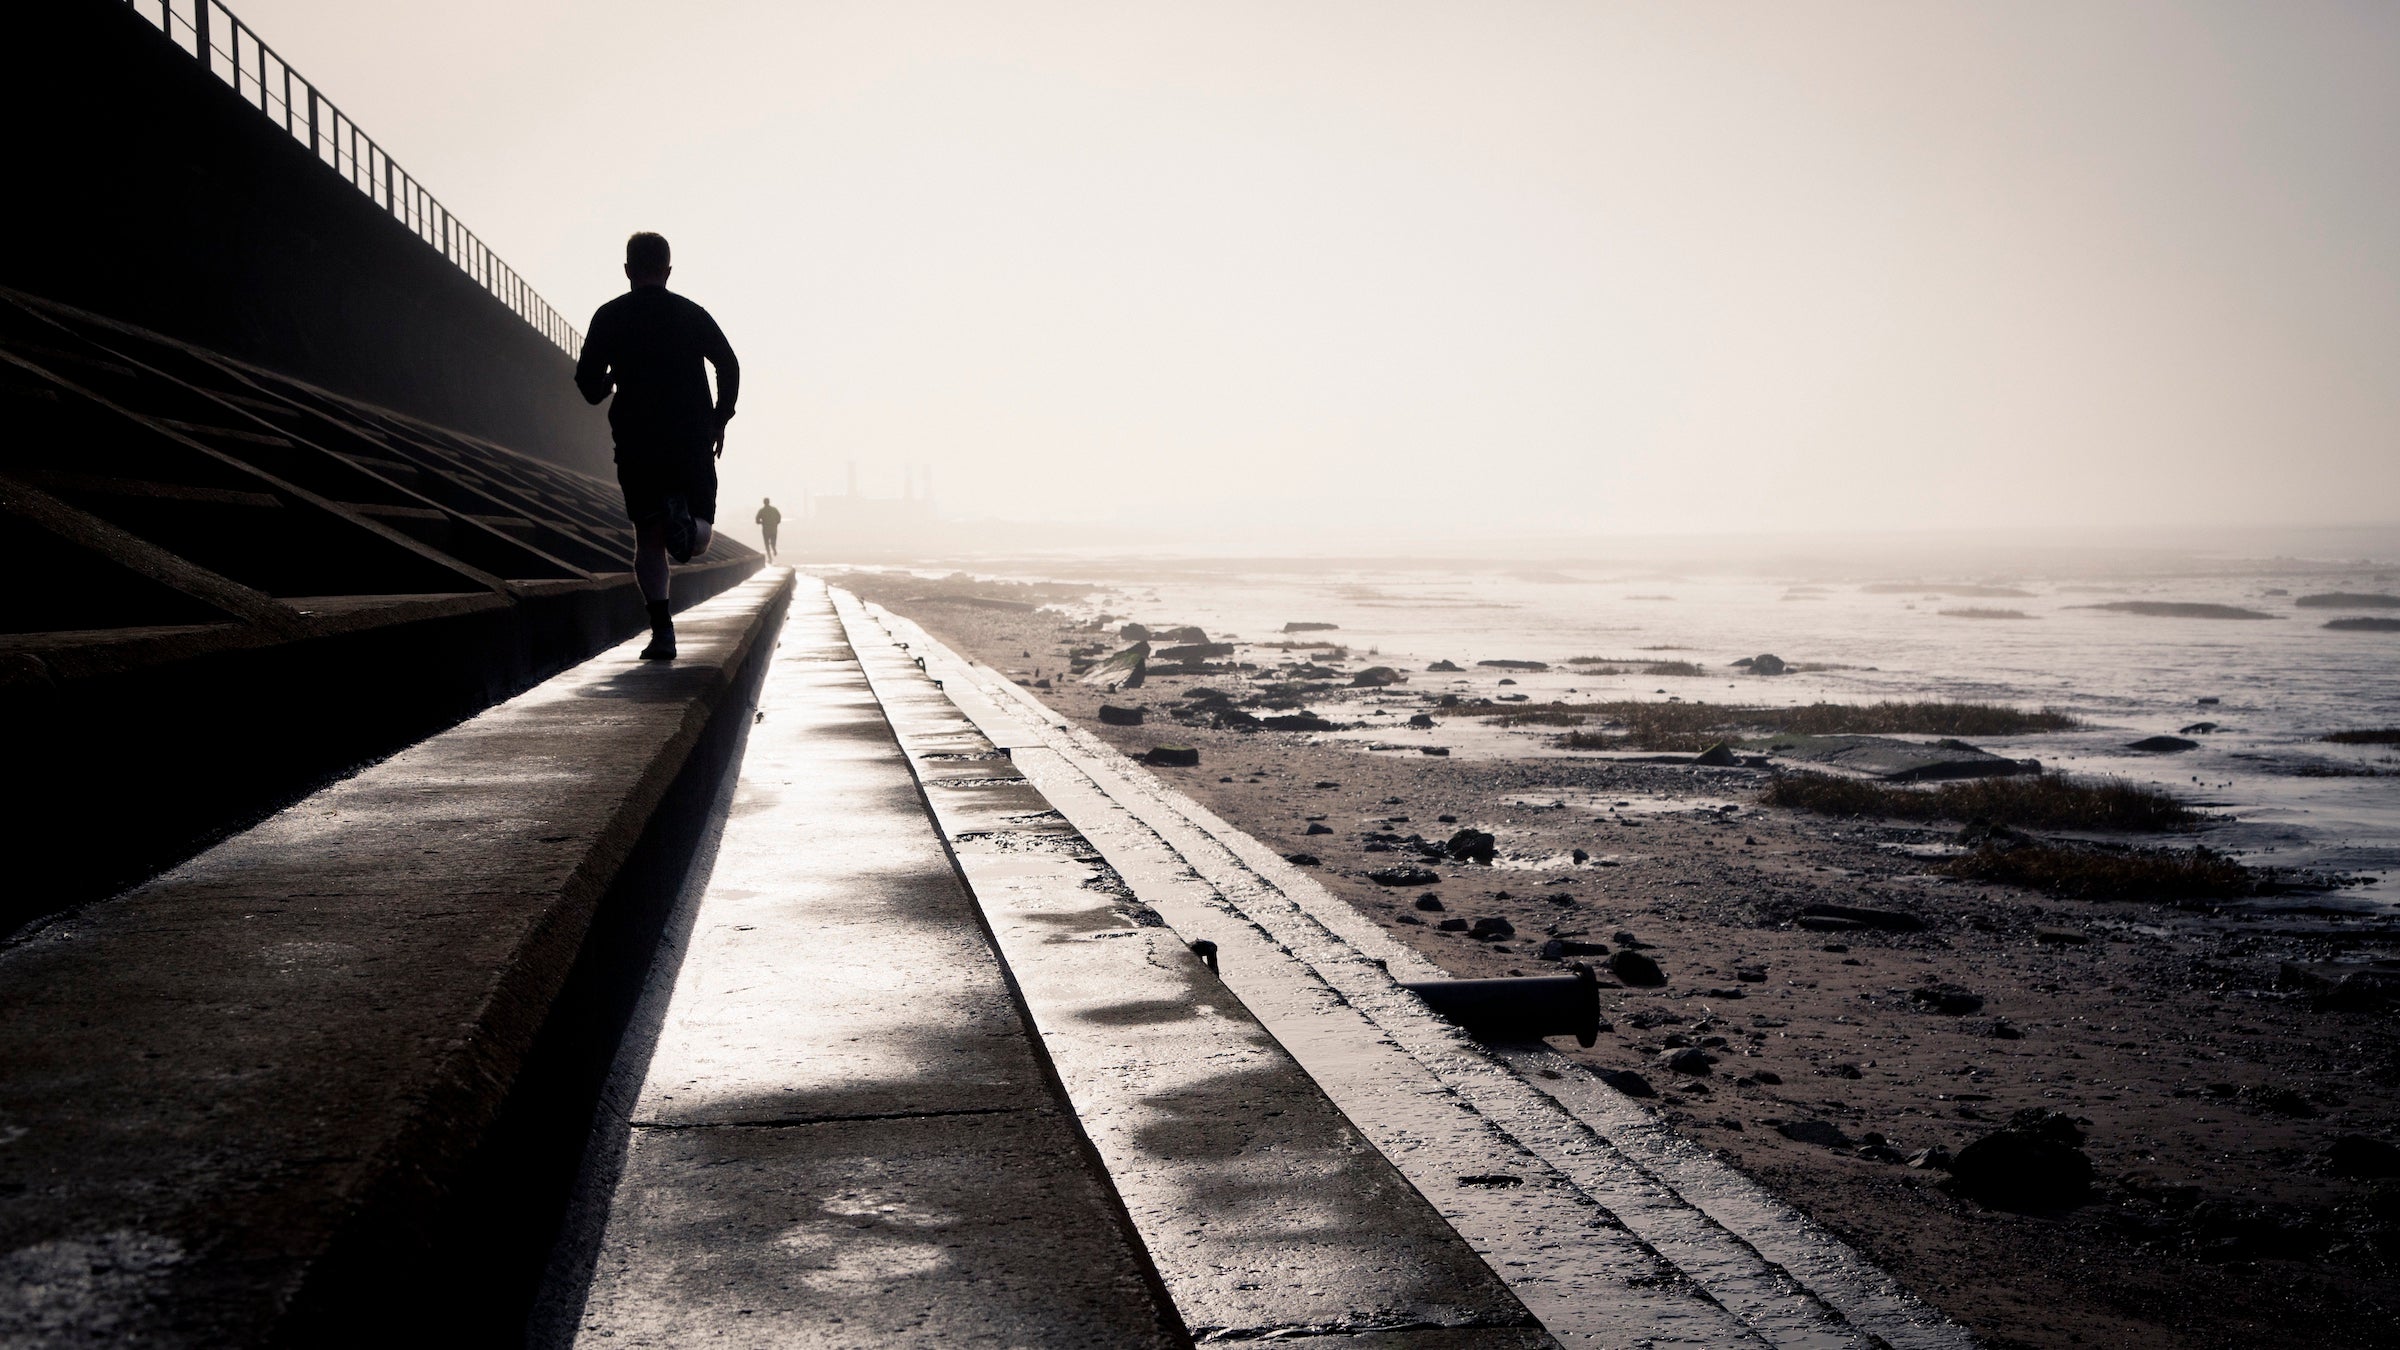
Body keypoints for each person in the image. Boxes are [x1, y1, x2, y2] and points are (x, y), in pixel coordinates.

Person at [574, 232, 739, 660]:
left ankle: (663, 632)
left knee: (648, 538)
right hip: (690, 437)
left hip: (637, 441)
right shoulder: (690, 314)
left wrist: (609, 382)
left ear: (627, 270)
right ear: (667, 271)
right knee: (698, 536)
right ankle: (687, 524)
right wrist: (721, 416)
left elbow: (588, 385)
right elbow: (728, 362)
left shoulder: (609, 316)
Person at [754, 496, 782, 562]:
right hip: (773, 529)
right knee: (773, 542)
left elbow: (757, 520)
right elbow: (779, 517)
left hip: (765, 530)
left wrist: (761, 522)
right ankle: (774, 548)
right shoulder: (774, 509)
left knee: (766, 544)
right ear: (769, 502)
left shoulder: (761, 511)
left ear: (764, 503)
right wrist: (776, 522)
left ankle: (770, 558)